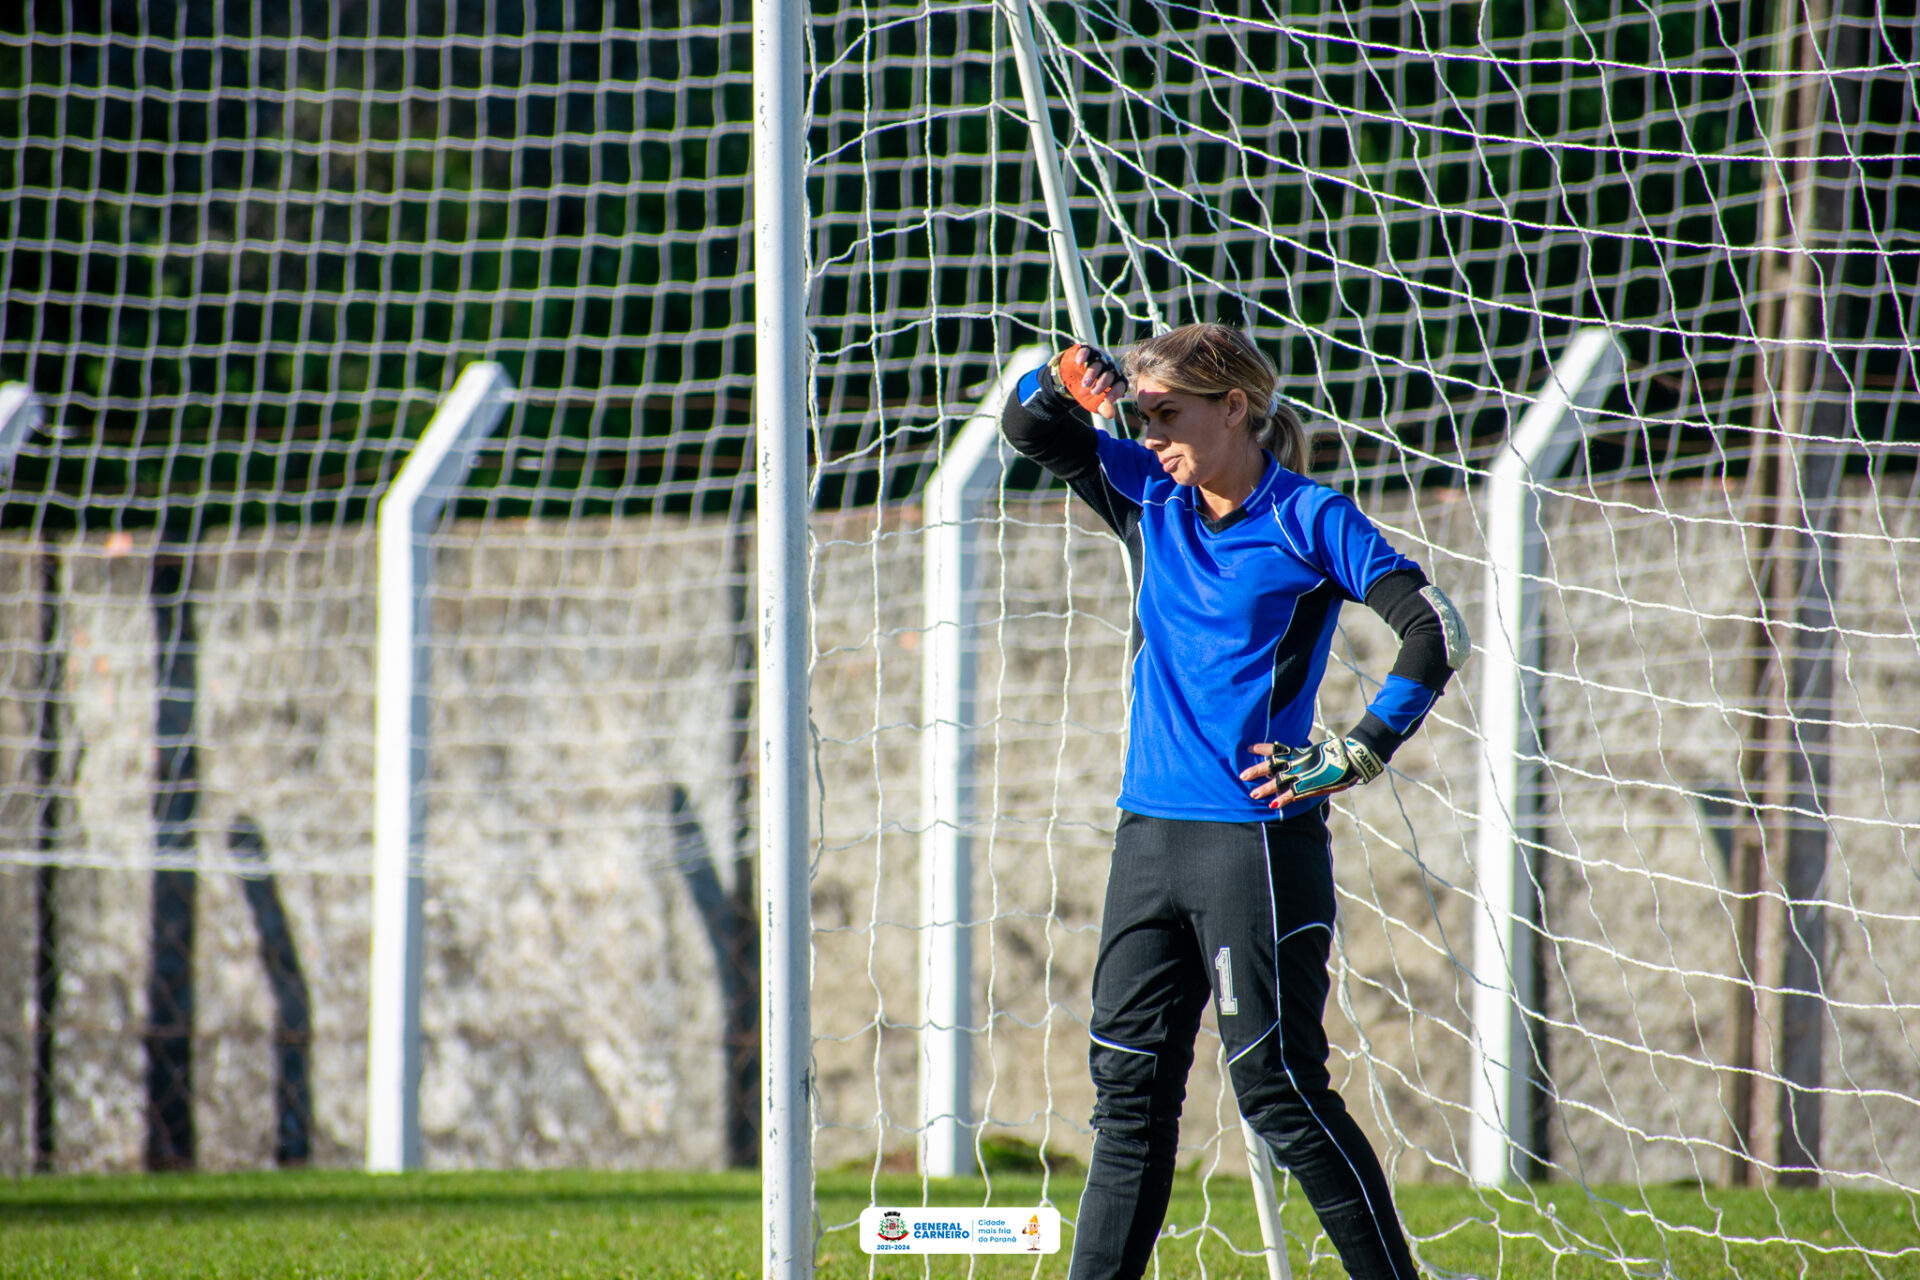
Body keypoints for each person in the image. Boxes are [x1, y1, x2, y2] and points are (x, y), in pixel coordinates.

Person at [1000, 324, 1467, 1280]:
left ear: (1235, 408)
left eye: (1168, 415)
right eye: (1140, 417)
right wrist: (1061, 379)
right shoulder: (1147, 490)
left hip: (1254, 846)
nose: (1153, 433)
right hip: (1147, 842)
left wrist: (1356, 752)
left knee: (1278, 1087)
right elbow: (1029, 430)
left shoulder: (1310, 516)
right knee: (1126, 1098)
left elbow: (1429, 631)